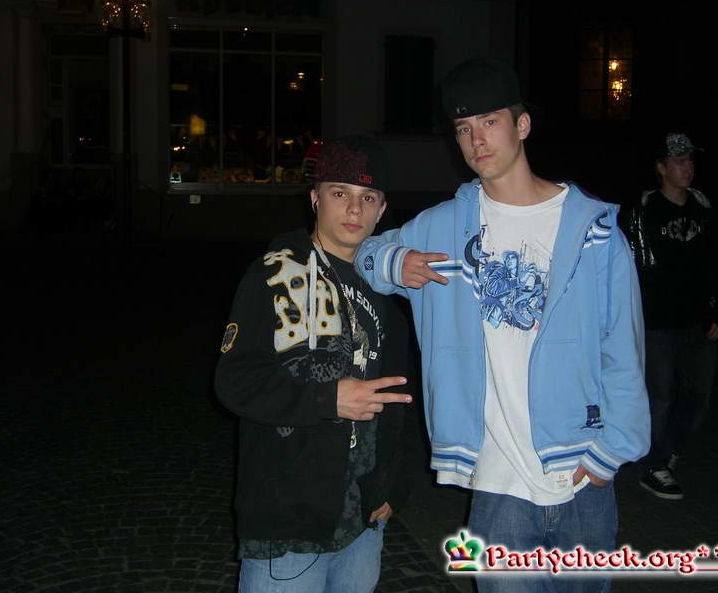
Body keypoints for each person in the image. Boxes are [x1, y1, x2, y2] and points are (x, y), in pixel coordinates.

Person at [354, 57, 650, 592]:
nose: (476, 140)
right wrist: (396, 262)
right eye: (463, 129)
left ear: (522, 125)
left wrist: (613, 451)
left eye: (489, 122)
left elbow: (623, 347)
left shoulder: (595, 230)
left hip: (581, 473)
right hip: (497, 482)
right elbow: (364, 254)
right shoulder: (444, 226)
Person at [214, 135, 414, 592]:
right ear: (315, 198)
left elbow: (398, 398)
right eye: (340, 193)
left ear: (382, 210)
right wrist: (327, 399)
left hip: (363, 517)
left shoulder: (385, 292)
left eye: (368, 198)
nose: (354, 209)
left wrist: (391, 486)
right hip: (289, 516)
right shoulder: (274, 273)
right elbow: (234, 381)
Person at [624, 132, 718, 500]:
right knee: (659, 397)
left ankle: (667, 450)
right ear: (661, 168)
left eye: (690, 160)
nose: (687, 167)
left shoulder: (702, 207)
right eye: (679, 161)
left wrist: (713, 311)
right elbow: (636, 268)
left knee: (698, 398)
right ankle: (653, 465)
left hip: (697, 323)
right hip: (658, 324)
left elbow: (712, 263)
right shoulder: (644, 211)